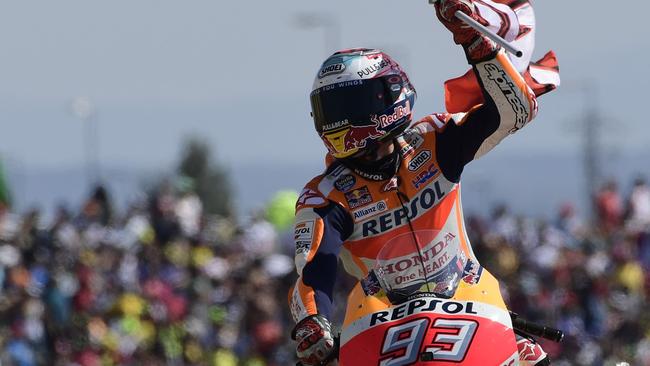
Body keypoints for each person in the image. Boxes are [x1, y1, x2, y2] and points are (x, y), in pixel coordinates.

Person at [289, 0, 555, 364]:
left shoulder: (434, 141)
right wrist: (312, 321)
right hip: (381, 322)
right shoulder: (325, 196)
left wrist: (478, 45)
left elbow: (514, 111)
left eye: (346, 103)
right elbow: (314, 268)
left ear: (386, 97)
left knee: (535, 357)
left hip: (470, 301)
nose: (335, 120)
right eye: (327, 109)